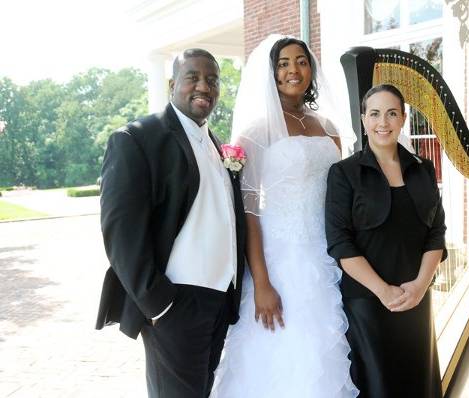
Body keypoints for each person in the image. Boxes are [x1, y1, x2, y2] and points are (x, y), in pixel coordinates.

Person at [211, 35, 358, 397]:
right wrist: (261, 281)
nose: (294, 70)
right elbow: (248, 211)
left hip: (327, 254)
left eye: (301, 61)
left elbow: (339, 195)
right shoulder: (256, 133)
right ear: (271, 72)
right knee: (282, 350)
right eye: (283, 63)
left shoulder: (329, 128)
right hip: (280, 260)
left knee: (324, 348)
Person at [95, 48, 246, 398]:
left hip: (219, 301)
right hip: (175, 302)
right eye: (193, 77)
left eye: (212, 80)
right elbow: (121, 232)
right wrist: (157, 302)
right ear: (172, 83)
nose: (204, 87)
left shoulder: (214, 142)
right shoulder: (137, 139)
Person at [325, 84, 447, 398]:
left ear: (403, 118)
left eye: (392, 113)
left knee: (417, 384)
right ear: (363, 120)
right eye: (375, 113)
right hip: (367, 302)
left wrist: (420, 285)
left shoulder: (423, 169)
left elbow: (436, 233)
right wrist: (383, 291)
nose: (383, 122)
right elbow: (340, 242)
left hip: (415, 298)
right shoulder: (343, 173)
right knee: (379, 387)